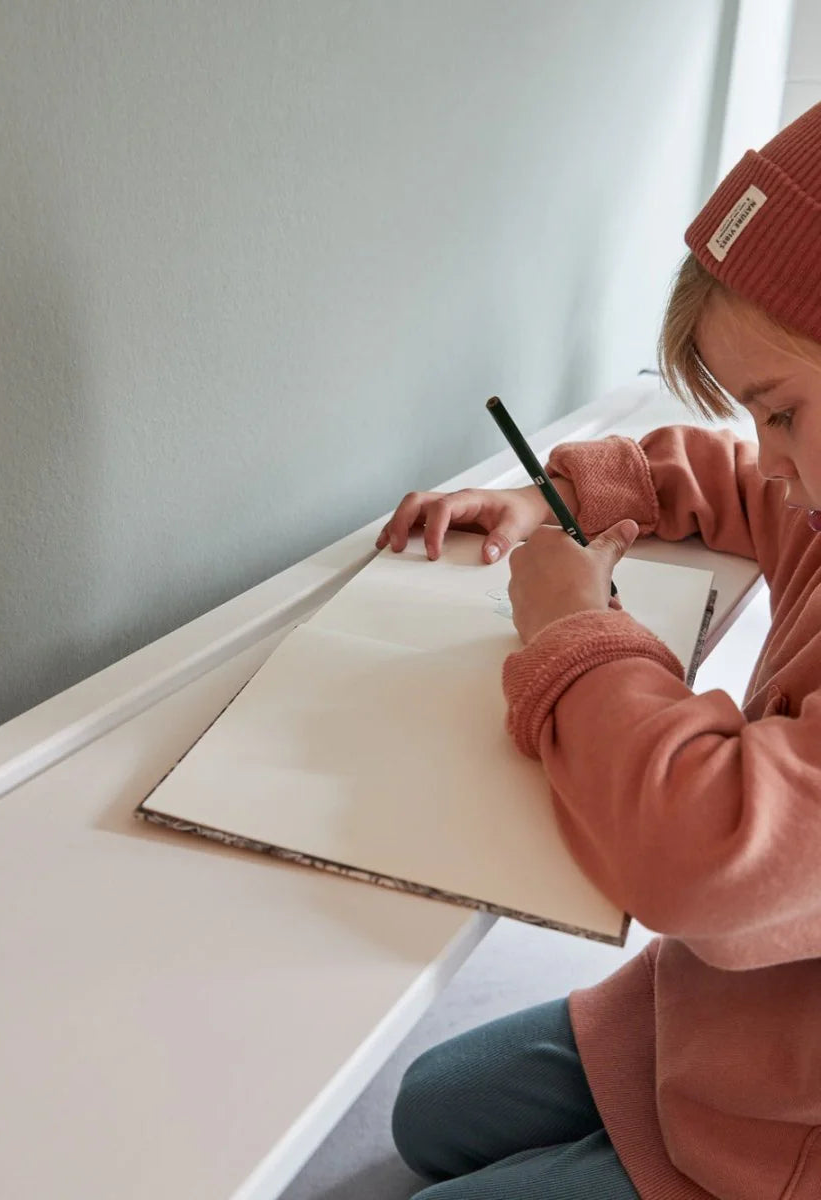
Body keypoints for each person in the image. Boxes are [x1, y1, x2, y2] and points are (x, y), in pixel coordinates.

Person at [378, 101, 821, 1200]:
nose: (767, 457)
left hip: (787, 1139)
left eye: (786, 414)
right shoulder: (813, 501)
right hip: (725, 1028)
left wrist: (577, 632)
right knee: (427, 1108)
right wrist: (563, 495)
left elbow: (702, 853)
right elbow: (735, 482)